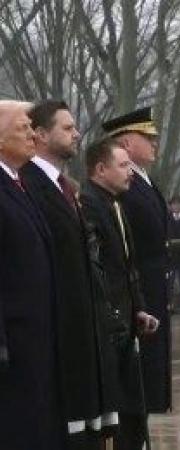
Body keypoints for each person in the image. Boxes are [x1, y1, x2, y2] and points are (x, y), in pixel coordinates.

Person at [21, 100, 110, 448]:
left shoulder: (66, 187)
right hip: (55, 330)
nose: (77, 134)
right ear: (41, 135)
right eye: (67, 128)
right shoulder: (30, 184)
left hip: (81, 330)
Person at [80, 137, 160, 450]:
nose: (130, 172)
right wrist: (113, 315)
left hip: (127, 319)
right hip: (108, 323)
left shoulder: (115, 203)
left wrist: (137, 307)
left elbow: (128, 266)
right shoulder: (89, 204)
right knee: (115, 408)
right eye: (123, 165)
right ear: (100, 169)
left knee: (133, 409)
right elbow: (98, 269)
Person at [0, 100, 63, 449]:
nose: (31, 136)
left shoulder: (17, 184)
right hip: (14, 343)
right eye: (23, 128)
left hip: (36, 340)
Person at [102, 106, 172, 415]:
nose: (155, 143)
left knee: (155, 356)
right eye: (148, 137)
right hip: (141, 280)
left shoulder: (144, 180)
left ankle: (154, 401)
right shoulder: (126, 186)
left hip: (155, 280)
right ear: (128, 143)